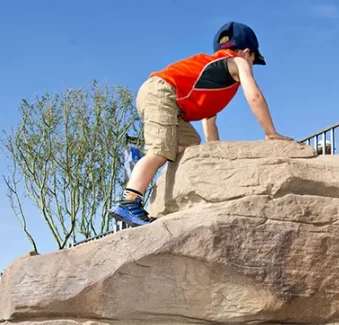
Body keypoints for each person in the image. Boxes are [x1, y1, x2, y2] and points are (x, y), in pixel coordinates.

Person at [110, 21, 294, 227]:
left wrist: (215, 155)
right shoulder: (238, 63)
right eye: (253, 60)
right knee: (159, 150)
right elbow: (255, 97)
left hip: (169, 102)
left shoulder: (216, 80)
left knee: (190, 143)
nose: (251, 65)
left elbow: (209, 122)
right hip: (162, 92)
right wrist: (271, 133)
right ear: (246, 53)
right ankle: (129, 200)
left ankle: (156, 176)